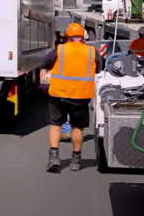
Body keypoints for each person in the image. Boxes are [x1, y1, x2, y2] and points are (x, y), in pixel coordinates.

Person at [47, 23, 97, 173]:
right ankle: (75, 161)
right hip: (81, 96)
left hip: (59, 95)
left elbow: (46, 62)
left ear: (67, 38)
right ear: (83, 38)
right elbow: (99, 67)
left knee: (56, 125)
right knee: (77, 128)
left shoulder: (60, 49)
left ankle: (54, 159)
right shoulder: (91, 52)